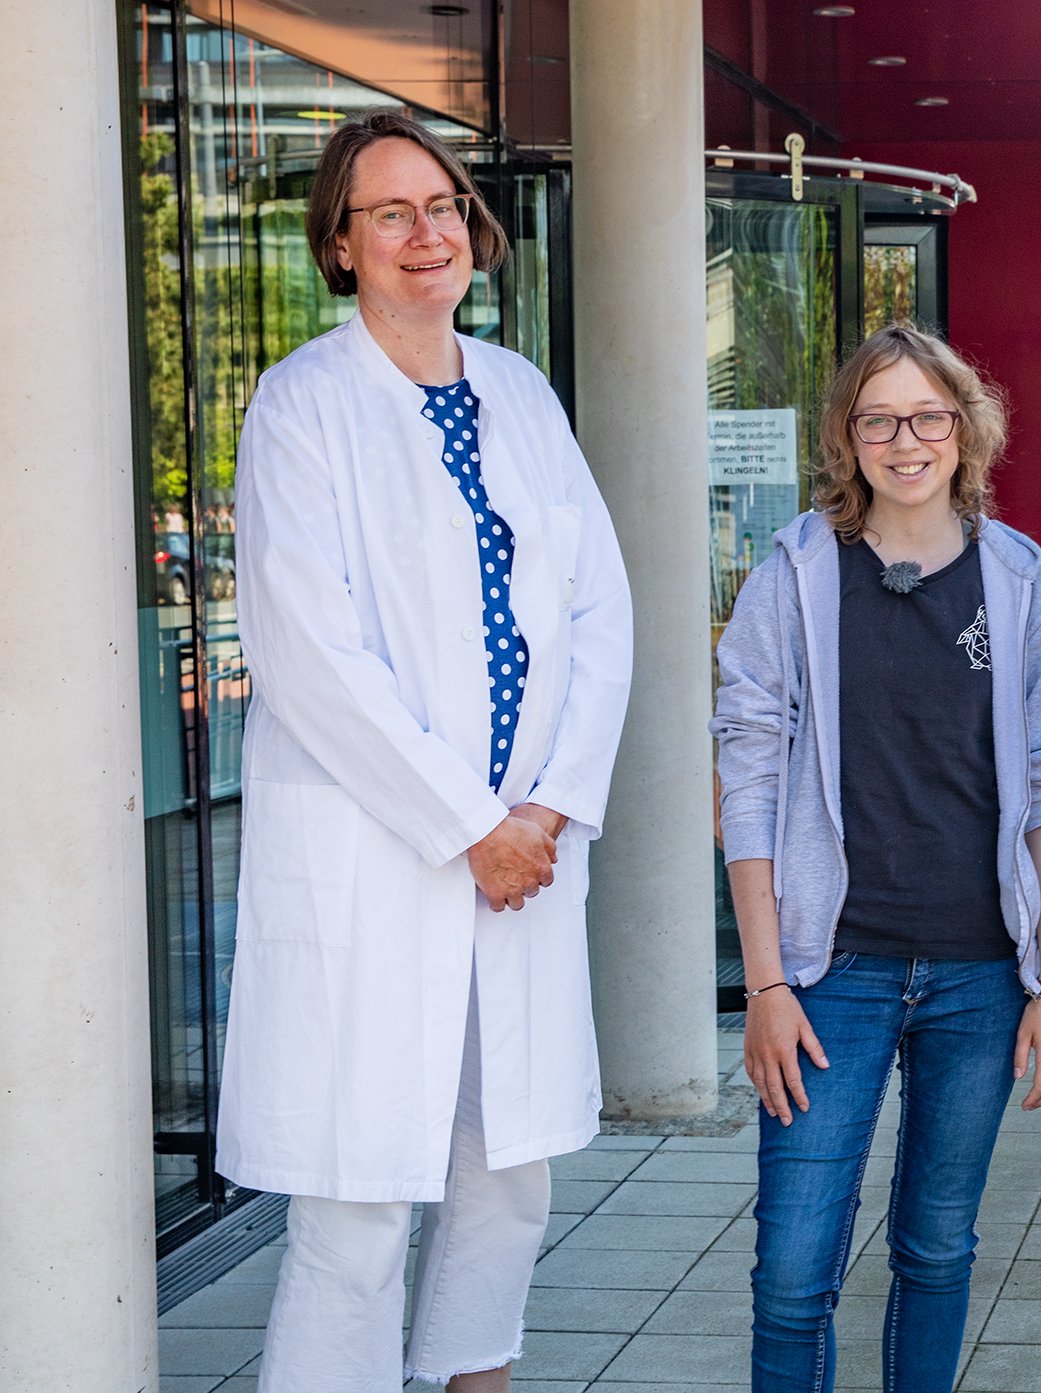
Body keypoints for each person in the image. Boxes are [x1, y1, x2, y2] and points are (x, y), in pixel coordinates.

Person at [219, 110, 633, 1392]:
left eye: (441, 205)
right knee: (356, 1200)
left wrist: (548, 810)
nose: (424, 233)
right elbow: (310, 655)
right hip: (383, 850)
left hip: (521, 852)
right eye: (387, 213)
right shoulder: (300, 408)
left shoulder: (519, 395)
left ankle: (474, 1378)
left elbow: (597, 610)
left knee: (505, 1173)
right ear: (340, 247)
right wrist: (470, 824)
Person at [711, 325, 1041, 1392]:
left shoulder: (1022, 589)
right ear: (846, 437)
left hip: (978, 976)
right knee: (790, 1275)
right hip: (831, 977)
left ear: (966, 429)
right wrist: (766, 983)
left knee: (934, 1250)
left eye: (928, 414)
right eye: (877, 418)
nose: (905, 438)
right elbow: (742, 789)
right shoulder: (791, 582)